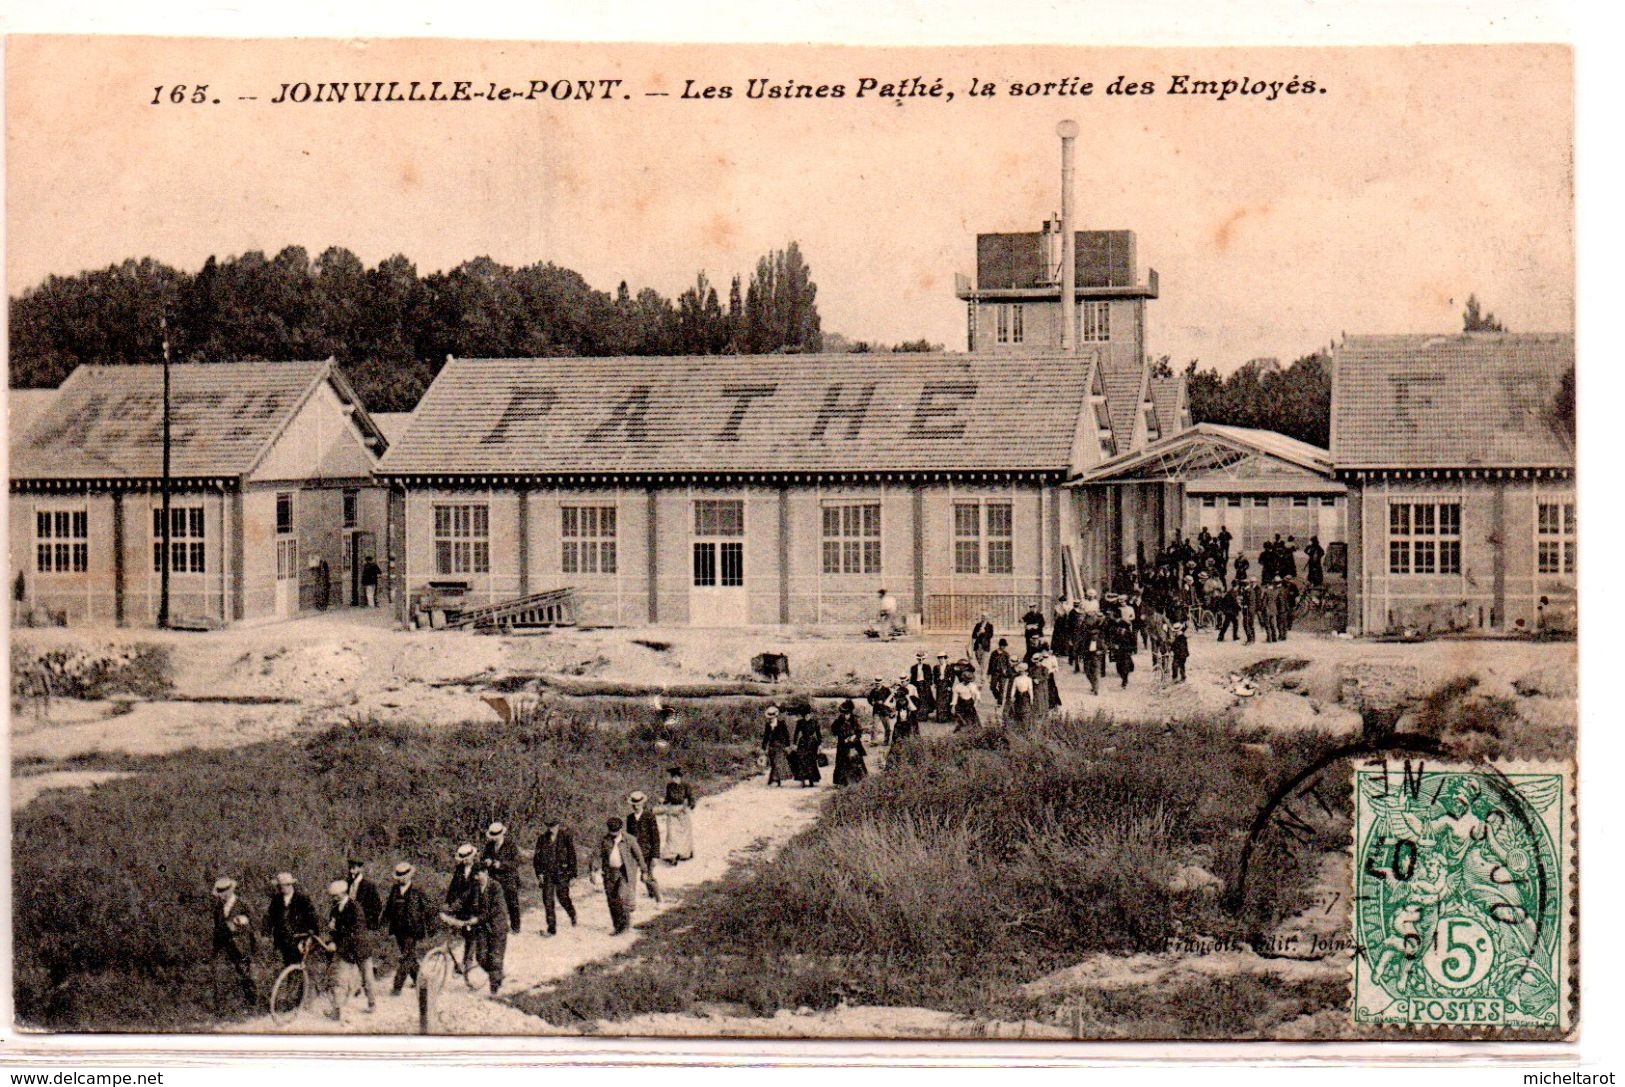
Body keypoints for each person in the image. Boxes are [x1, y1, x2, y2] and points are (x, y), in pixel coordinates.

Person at [591, 816, 652, 936]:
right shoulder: (604, 840)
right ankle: (617, 927)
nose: (614, 834)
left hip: (625, 873)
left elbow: (639, 856)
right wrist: (593, 870)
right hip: (609, 873)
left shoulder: (630, 840)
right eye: (611, 832)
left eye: (616, 832)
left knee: (623, 898)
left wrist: (644, 871)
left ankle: (626, 926)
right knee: (612, 901)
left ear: (620, 829)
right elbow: (597, 856)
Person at [324, 877, 376, 1018]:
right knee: (339, 979)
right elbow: (333, 929)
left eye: (336, 895)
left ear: (343, 893)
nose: (334, 898)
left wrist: (337, 944)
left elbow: (355, 932)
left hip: (360, 948)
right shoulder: (334, 909)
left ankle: (372, 1003)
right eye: (332, 896)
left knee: (367, 978)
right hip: (345, 950)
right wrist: (331, 941)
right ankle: (337, 1011)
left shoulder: (355, 908)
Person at [381, 861, 434, 996]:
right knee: (410, 957)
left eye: (404, 876)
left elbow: (428, 909)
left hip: (413, 929)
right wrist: (382, 923)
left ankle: (397, 987)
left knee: (405, 957)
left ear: (409, 875)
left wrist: (431, 927)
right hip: (399, 929)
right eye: (399, 877)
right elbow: (388, 908)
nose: (402, 879)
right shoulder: (394, 889)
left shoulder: (418, 890)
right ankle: (420, 982)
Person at [210, 876, 258, 1009]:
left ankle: (251, 1003)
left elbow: (253, 926)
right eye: (220, 893)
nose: (221, 896)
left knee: (245, 974)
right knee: (219, 974)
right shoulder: (218, 907)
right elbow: (217, 927)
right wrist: (215, 949)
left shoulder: (243, 905)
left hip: (241, 945)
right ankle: (220, 1007)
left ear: (230, 891)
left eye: (224, 893)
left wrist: (238, 925)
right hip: (223, 945)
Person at [532, 816, 579, 935]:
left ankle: (572, 913)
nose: (550, 828)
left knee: (563, 898)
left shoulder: (566, 837)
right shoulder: (542, 839)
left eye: (553, 826)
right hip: (547, 874)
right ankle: (551, 928)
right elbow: (536, 859)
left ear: (558, 825)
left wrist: (573, 874)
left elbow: (572, 857)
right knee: (547, 901)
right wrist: (539, 874)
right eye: (548, 826)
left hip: (562, 874)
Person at [344, 859, 382, 1000]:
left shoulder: (369, 886)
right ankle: (356, 985)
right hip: (349, 926)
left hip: (364, 927)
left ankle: (367, 992)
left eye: (354, 868)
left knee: (363, 959)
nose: (351, 871)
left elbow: (377, 906)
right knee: (351, 957)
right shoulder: (347, 884)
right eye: (350, 868)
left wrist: (367, 921)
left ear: (360, 868)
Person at [468, 864, 509, 995]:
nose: (476, 878)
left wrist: (478, 919)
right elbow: (464, 900)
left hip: (497, 927)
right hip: (483, 928)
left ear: (485, 872)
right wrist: (451, 908)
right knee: (480, 957)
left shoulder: (496, 887)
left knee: (495, 958)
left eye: (478, 874)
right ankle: (497, 976)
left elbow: (495, 909)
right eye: (474, 875)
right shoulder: (475, 887)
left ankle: (494, 990)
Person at [264, 872, 318, 968]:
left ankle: (300, 982)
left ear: (290, 885)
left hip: (299, 940)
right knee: (285, 965)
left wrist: (311, 935)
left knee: (298, 966)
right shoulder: (276, 900)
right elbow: (269, 917)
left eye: (282, 886)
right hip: (282, 940)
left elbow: (311, 918)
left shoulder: (302, 899)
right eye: (279, 886)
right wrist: (266, 933)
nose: (280, 889)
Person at [480, 822, 523, 933]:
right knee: (496, 904)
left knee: (512, 903)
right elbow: (483, 858)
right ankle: (499, 926)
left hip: (509, 878)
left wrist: (501, 865)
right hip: (494, 879)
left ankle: (515, 927)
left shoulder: (510, 845)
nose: (494, 838)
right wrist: (486, 862)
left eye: (496, 836)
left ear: (501, 834)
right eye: (492, 836)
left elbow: (516, 862)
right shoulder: (489, 846)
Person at [445, 843, 481, 968]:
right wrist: (448, 902)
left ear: (473, 856)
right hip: (462, 907)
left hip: (474, 905)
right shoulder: (459, 869)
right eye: (463, 859)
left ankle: (468, 962)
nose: (465, 861)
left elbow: (473, 890)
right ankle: (466, 959)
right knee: (465, 933)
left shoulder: (479, 869)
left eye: (467, 858)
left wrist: (458, 902)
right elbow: (453, 887)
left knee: (471, 933)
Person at [625, 793, 663, 902]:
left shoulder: (649, 816)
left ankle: (658, 898)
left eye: (638, 804)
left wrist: (655, 855)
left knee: (647, 877)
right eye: (634, 805)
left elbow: (655, 837)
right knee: (631, 877)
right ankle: (631, 901)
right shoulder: (630, 818)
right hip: (634, 853)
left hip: (647, 852)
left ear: (642, 804)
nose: (636, 807)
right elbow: (629, 837)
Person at [659, 767, 698, 863]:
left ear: (680, 777)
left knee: (684, 832)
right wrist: (663, 802)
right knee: (672, 832)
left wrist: (690, 806)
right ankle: (671, 854)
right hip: (672, 810)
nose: (674, 779)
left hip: (682, 809)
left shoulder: (685, 785)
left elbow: (690, 797)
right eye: (673, 777)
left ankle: (685, 853)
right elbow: (668, 799)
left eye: (676, 777)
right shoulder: (669, 786)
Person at [831, 700, 868, 785]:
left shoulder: (855, 719)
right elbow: (834, 731)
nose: (845, 716)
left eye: (847, 714)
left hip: (854, 744)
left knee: (856, 761)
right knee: (841, 763)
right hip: (842, 745)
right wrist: (842, 737)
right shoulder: (838, 720)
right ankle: (842, 782)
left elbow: (859, 731)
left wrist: (854, 736)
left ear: (850, 713)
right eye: (843, 714)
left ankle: (859, 780)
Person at [761, 706, 793, 785]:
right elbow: (766, 737)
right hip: (771, 746)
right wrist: (763, 747)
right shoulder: (768, 725)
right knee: (773, 763)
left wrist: (787, 745)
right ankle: (772, 779)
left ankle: (776, 780)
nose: (770, 718)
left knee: (777, 762)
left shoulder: (781, 723)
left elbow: (786, 735)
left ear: (775, 716)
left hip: (780, 746)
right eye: (769, 717)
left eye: (772, 717)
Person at [792, 709, 822, 786]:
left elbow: (818, 734)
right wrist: (795, 744)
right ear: (803, 715)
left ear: (811, 715)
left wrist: (820, 744)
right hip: (802, 743)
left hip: (812, 743)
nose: (807, 716)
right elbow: (796, 733)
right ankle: (803, 781)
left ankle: (811, 780)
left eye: (809, 715)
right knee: (801, 760)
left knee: (811, 761)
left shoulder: (815, 722)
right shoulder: (800, 722)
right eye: (805, 715)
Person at [1079, 611, 1106, 696]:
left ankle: (1096, 689)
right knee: (1087, 672)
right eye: (1092, 635)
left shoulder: (1100, 641)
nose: (1094, 636)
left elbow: (1105, 649)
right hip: (1087, 657)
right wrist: (1081, 657)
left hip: (1096, 658)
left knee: (1096, 673)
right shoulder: (1086, 641)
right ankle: (1093, 685)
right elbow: (1082, 649)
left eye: (1095, 634)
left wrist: (1100, 652)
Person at [950, 663, 981, 730]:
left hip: (969, 704)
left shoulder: (972, 686)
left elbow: (977, 695)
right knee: (961, 720)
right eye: (966, 680)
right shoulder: (958, 687)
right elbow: (955, 697)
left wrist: (975, 703)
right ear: (963, 679)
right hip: (961, 705)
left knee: (972, 721)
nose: (968, 682)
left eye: (969, 681)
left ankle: (973, 731)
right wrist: (953, 706)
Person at [907, 652, 937, 721]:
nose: (920, 660)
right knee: (918, 699)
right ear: (917, 659)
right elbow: (912, 678)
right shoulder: (913, 667)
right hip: (917, 685)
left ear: (924, 659)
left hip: (924, 685)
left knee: (925, 700)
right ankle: (918, 715)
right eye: (919, 659)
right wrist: (912, 686)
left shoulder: (927, 667)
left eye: (922, 659)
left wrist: (928, 684)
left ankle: (924, 715)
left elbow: (930, 676)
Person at [866, 676, 894, 746]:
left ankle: (886, 741)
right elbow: (869, 698)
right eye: (876, 683)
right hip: (876, 711)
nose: (877, 684)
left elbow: (891, 699)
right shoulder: (873, 691)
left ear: (881, 682)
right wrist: (872, 703)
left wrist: (884, 702)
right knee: (874, 726)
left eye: (878, 683)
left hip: (885, 711)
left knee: (887, 727)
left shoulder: (886, 690)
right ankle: (874, 741)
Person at [1005, 661, 1035, 725]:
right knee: (1017, 709)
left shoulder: (1028, 679)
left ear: (1025, 671)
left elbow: (1030, 689)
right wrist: (1012, 696)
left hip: (1025, 695)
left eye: (1023, 671)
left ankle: (1025, 723)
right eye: (1021, 671)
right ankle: (1018, 723)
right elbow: (1014, 688)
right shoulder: (1016, 679)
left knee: (1025, 709)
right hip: (1018, 695)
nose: (1022, 672)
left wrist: (1031, 698)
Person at [987, 638, 1015, 707]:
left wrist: (1010, 674)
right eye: (1003, 646)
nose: (1004, 647)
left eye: (1005, 646)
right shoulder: (994, 653)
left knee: (1002, 688)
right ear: (1000, 645)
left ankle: (1000, 702)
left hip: (1003, 674)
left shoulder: (1006, 654)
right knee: (992, 687)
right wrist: (988, 673)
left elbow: (1008, 665)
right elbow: (990, 663)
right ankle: (997, 696)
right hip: (995, 672)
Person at [1112, 615, 1137, 689]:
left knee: (1125, 667)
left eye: (1122, 627)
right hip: (1119, 652)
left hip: (1126, 651)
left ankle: (1124, 680)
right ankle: (1123, 677)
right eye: (1120, 627)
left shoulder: (1129, 633)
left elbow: (1134, 642)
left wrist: (1133, 650)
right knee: (1119, 667)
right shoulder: (1116, 633)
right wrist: (1114, 646)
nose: (1121, 628)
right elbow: (1113, 641)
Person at [933, 652, 954, 723]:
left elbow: (952, 678)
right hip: (939, 685)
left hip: (946, 685)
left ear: (945, 659)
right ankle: (940, 718)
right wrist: (935, 683)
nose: (941, 660)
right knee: (939, 701)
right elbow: (935, 677)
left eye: (942, 658)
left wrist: (950, 686)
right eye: (939, 658)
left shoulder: (949, 667)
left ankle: (946, 717)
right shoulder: (936, 667)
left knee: (946, 701)